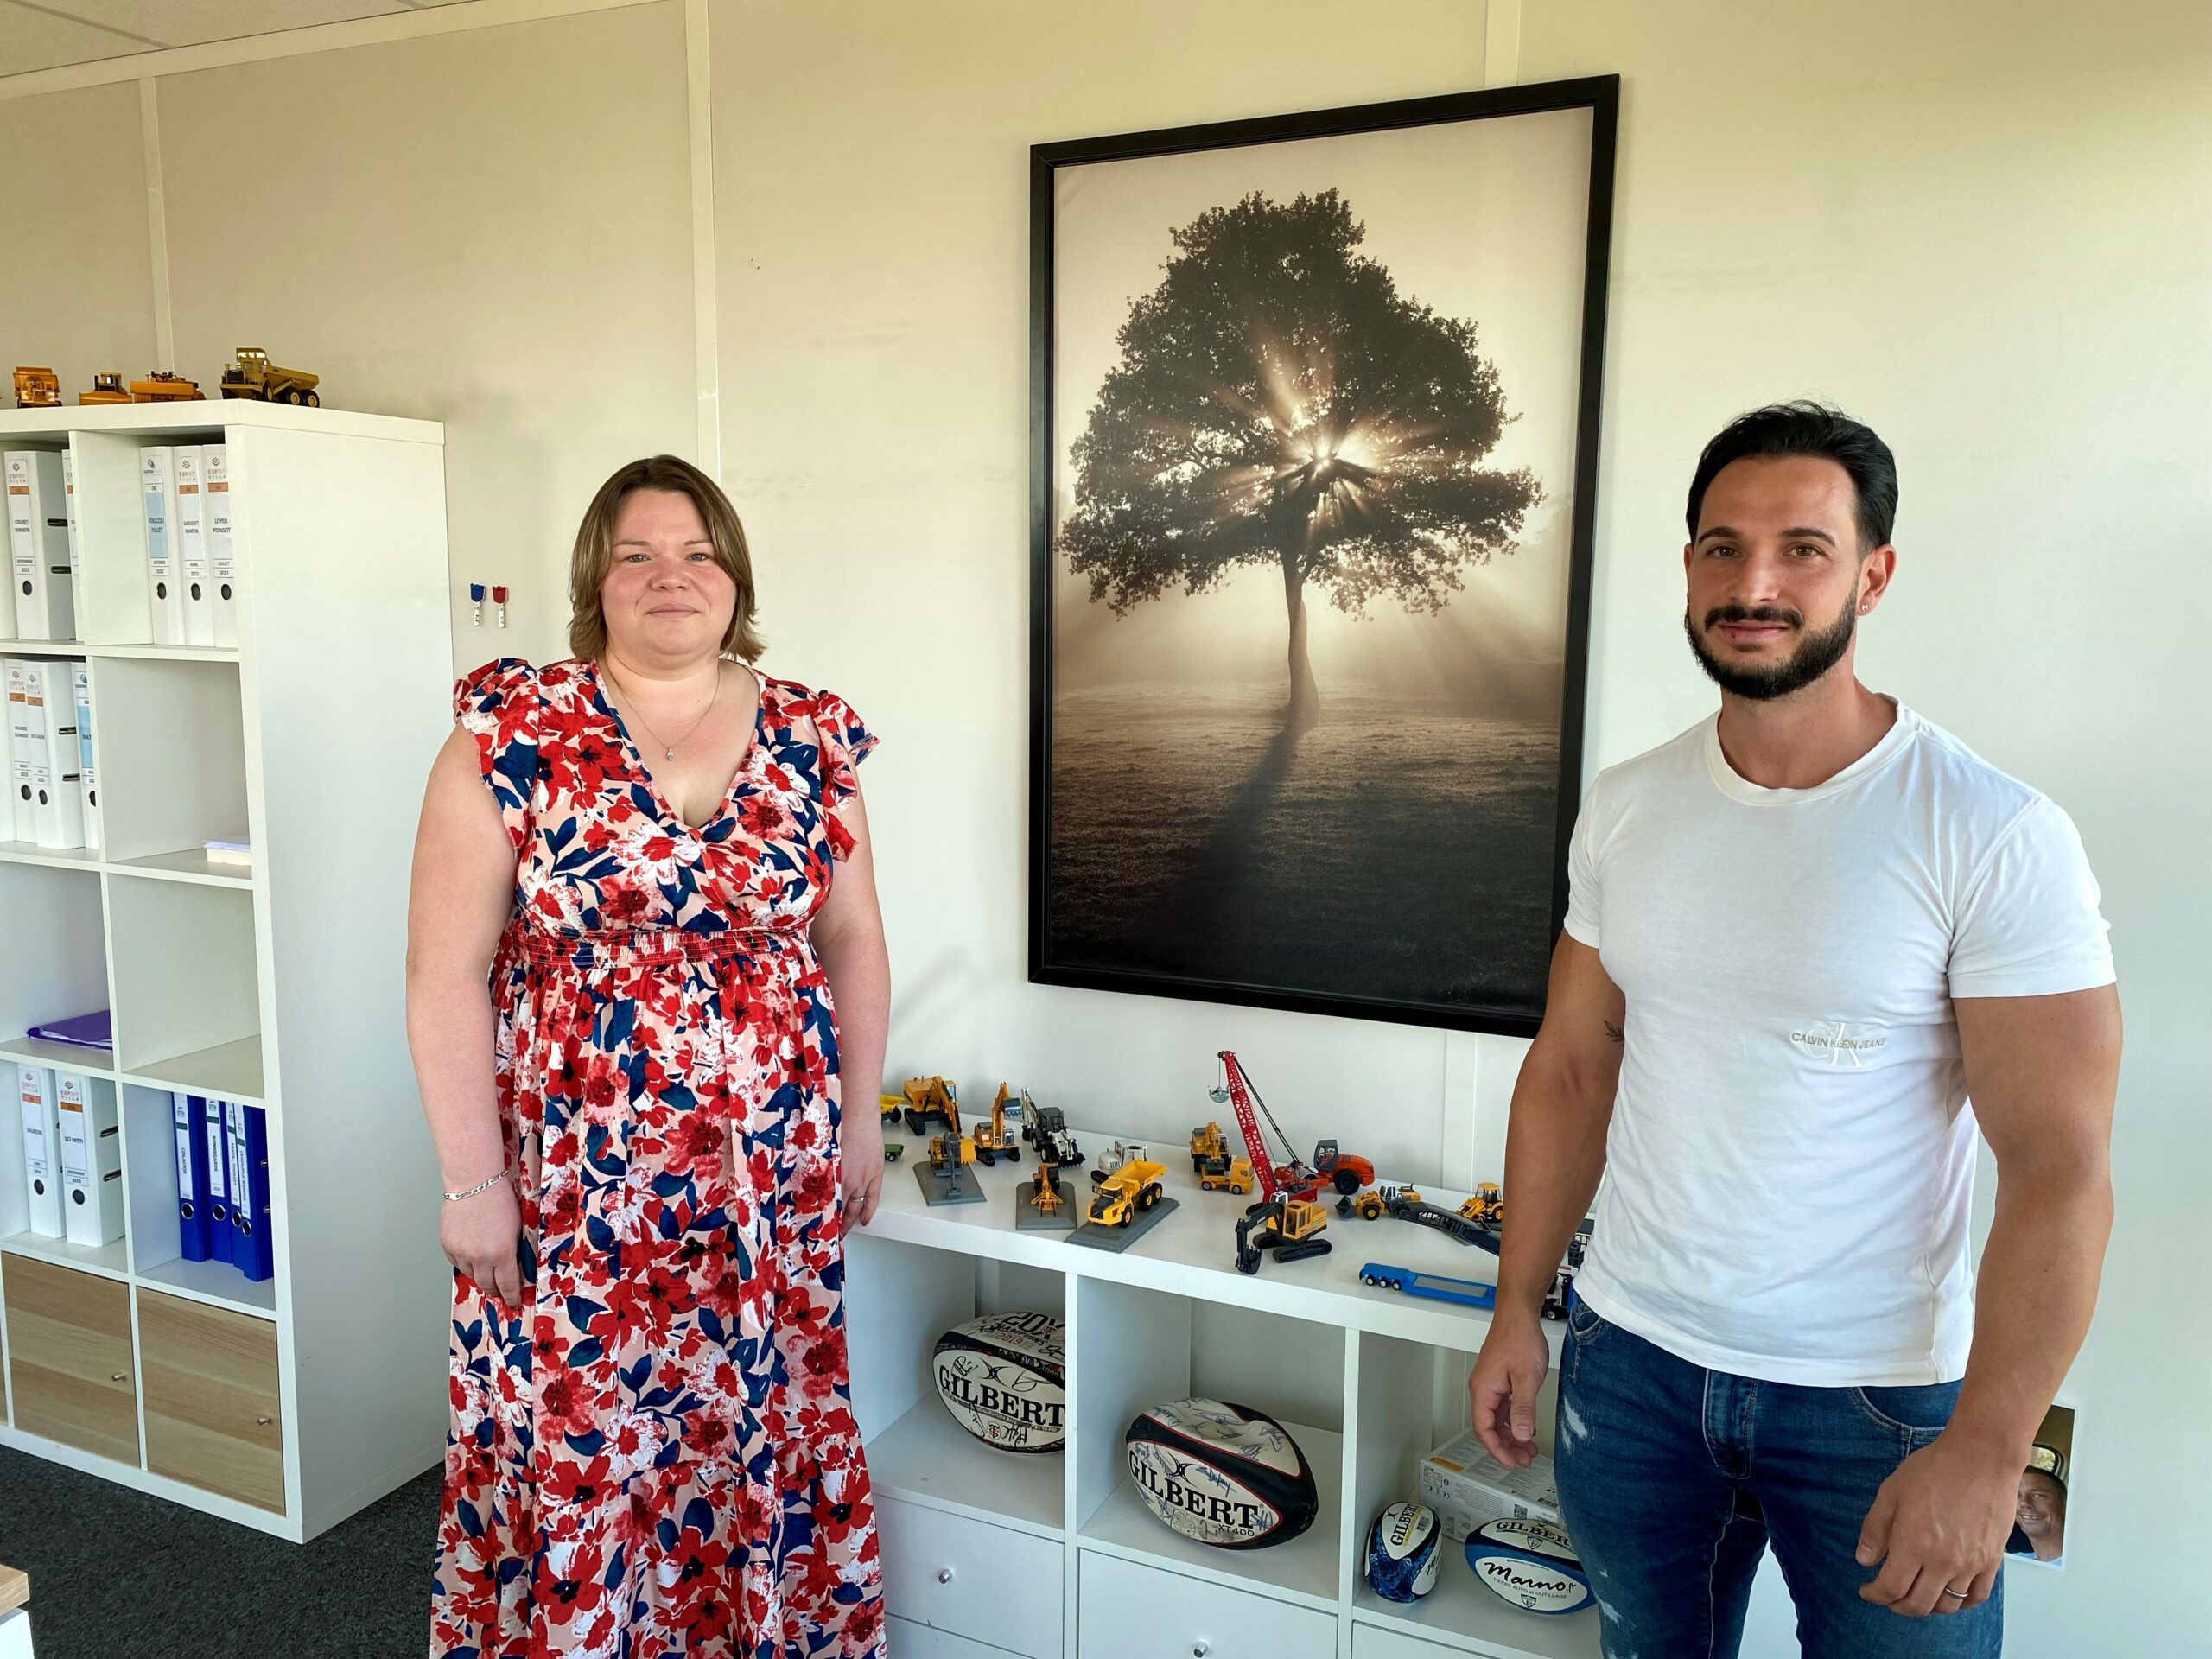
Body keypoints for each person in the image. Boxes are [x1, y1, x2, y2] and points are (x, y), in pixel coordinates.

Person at [1465, 404, 2120, 1657]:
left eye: (1802, 549)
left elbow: (2060, 1166)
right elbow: (1570, 1068)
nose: (1753, 582)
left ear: (1873, 573)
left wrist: (1989, 1446)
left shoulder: (1988, 831)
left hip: (1878, 1401)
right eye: (1722, 547)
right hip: (1633, 1363)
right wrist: (1517, 1310)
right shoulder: (1629, 807)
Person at [409, 454, 890, 1657]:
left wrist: (863, 1119)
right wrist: (472, 1183)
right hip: (575, 1193)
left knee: (754, 1432)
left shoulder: (814, 734)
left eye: (696, 551)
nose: (669, 576)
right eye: (636, 553)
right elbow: (442, 975)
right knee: (583, 1442)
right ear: (597, 580)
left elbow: (854, 939)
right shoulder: (509, 730)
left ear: (734, 576)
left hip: (761, 1189)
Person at [2007, 1467, 2067, 1563]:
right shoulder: (2014, 1562)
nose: (2024, 1503)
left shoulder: (2086, 1566)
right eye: (2016, 1495)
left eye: (2038, 1495)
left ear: (2064, 1503)